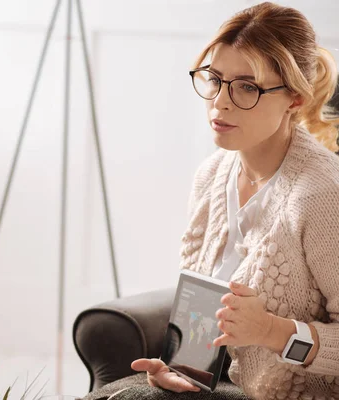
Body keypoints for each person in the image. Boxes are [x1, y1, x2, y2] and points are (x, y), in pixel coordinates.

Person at [130, 2, 339, 399]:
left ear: (294, 98)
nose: (220, 103)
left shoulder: (323, 195)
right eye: (214, 79)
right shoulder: (211, 175)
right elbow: (202, 305)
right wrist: (183, 369)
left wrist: (271, 331)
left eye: (247, 87)